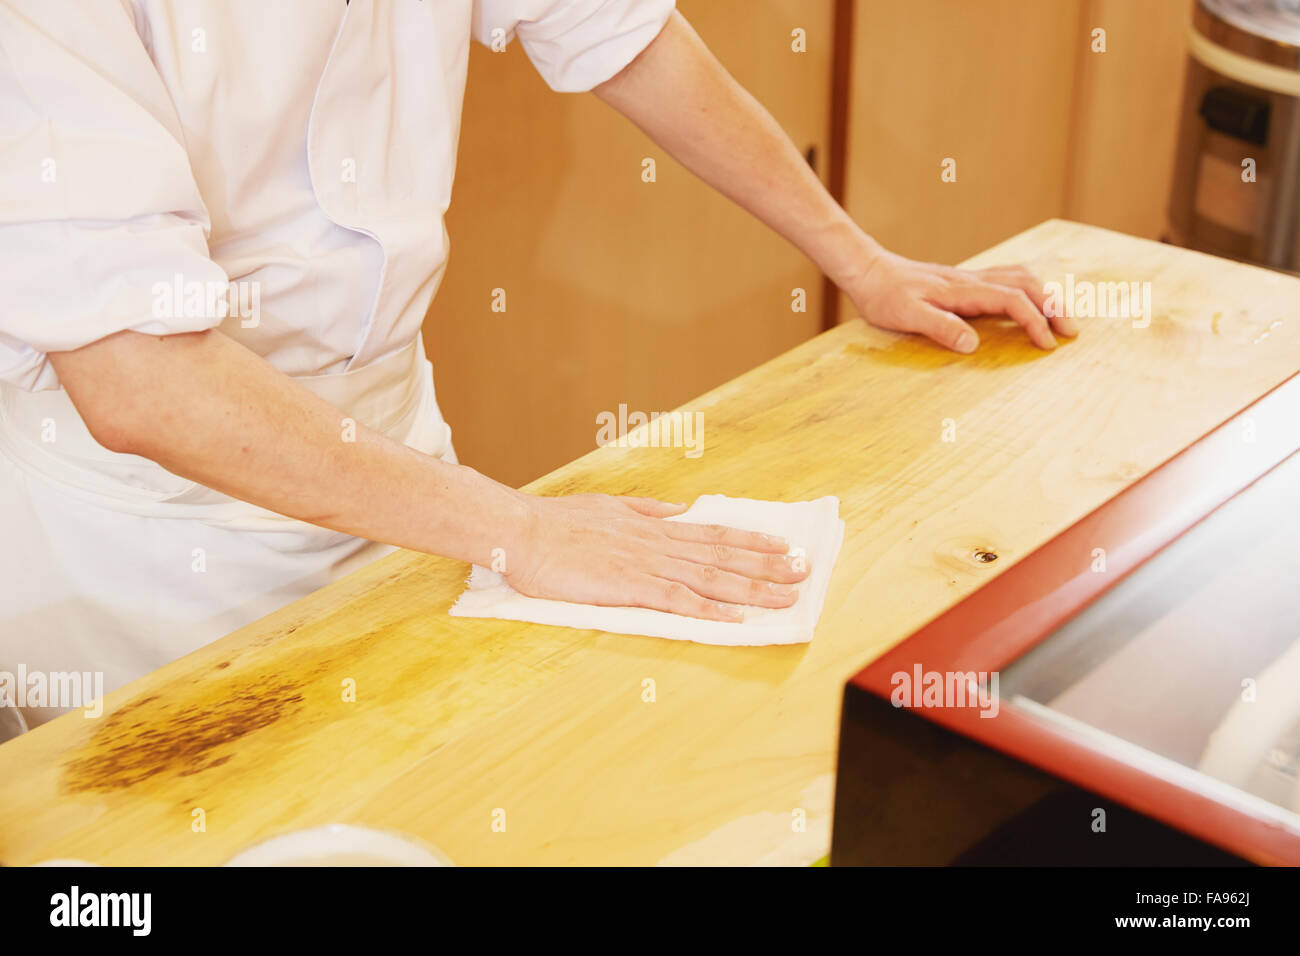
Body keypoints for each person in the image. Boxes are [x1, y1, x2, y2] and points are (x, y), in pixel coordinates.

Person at [0, 0, 1075, 726]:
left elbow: (623, 32)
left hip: (397, 458)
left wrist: (860, 259)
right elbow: (140, 379)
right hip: (154, 544)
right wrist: (517, 529)